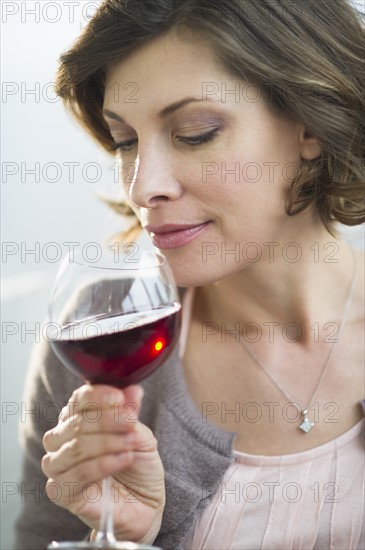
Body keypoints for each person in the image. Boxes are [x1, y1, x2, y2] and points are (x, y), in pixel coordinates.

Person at [15, 0, 364, 549]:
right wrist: (123, 539)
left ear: (310, 126)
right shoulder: (99, 343)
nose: (141, 186)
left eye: (195, 131)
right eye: (126, 141)